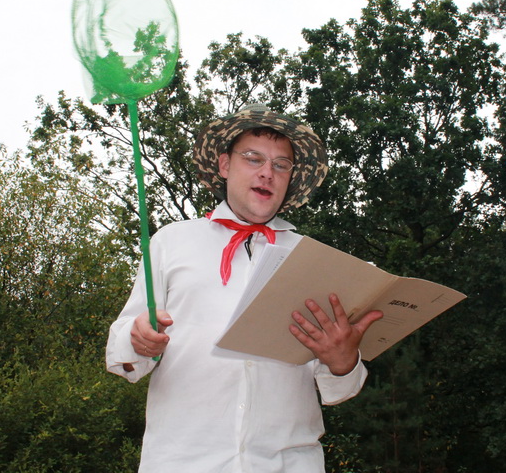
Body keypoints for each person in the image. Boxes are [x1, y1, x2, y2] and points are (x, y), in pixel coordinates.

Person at [106, 104, 383, 472]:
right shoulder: (170, 242)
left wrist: (343, 361)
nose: (267, 172)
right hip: (181, 462)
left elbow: (340, 387)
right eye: (253, 158)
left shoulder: (314, 260)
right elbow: (124, 353)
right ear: (225, 165)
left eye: (281, 164)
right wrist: (138, 339)